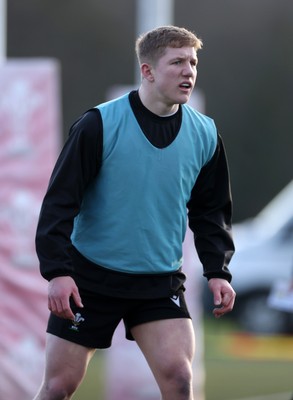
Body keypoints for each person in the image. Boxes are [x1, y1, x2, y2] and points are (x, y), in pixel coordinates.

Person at [33, 25, 236, 400]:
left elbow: (210, 212)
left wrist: (217, 272)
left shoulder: (205, 134)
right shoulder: (98, 125)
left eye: (192, 62)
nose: (188, 71)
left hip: (158, 282)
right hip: (89, 280)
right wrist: (58, 272)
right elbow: (59, 202)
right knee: (59, 387)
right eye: (177, 62)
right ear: (148, 71)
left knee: (178, 378)